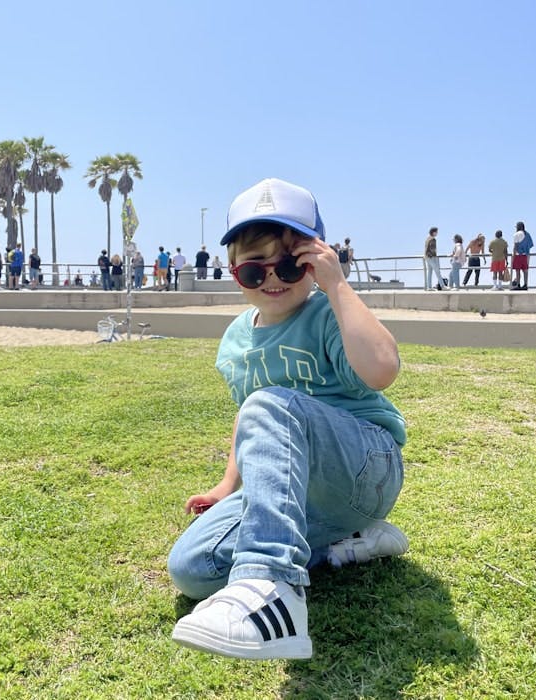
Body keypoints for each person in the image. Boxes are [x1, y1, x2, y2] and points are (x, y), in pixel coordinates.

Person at [168, 178, 407, 661]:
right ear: (234, 271)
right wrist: (225, 486)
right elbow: (250, 419)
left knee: (270, 402)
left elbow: (382, 370)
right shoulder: (236, 340)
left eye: (289, 266)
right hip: (304, 498)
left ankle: (272, 587)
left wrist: (337, 286)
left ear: (315, 259)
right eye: (254, 273)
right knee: (192, 567)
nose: (273, 280)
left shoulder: (328, 314)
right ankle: (349, 542)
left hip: (366, 470)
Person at [511, 221, 534, 290]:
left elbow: (515, 246)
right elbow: (530, 245)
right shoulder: (527, 234)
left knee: (517, 270)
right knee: (525, 270)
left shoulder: (516, 234)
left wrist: (513, 256)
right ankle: (525, 285)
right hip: (525, 255)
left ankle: (518, 285)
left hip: (518, 255)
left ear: (518, 227)